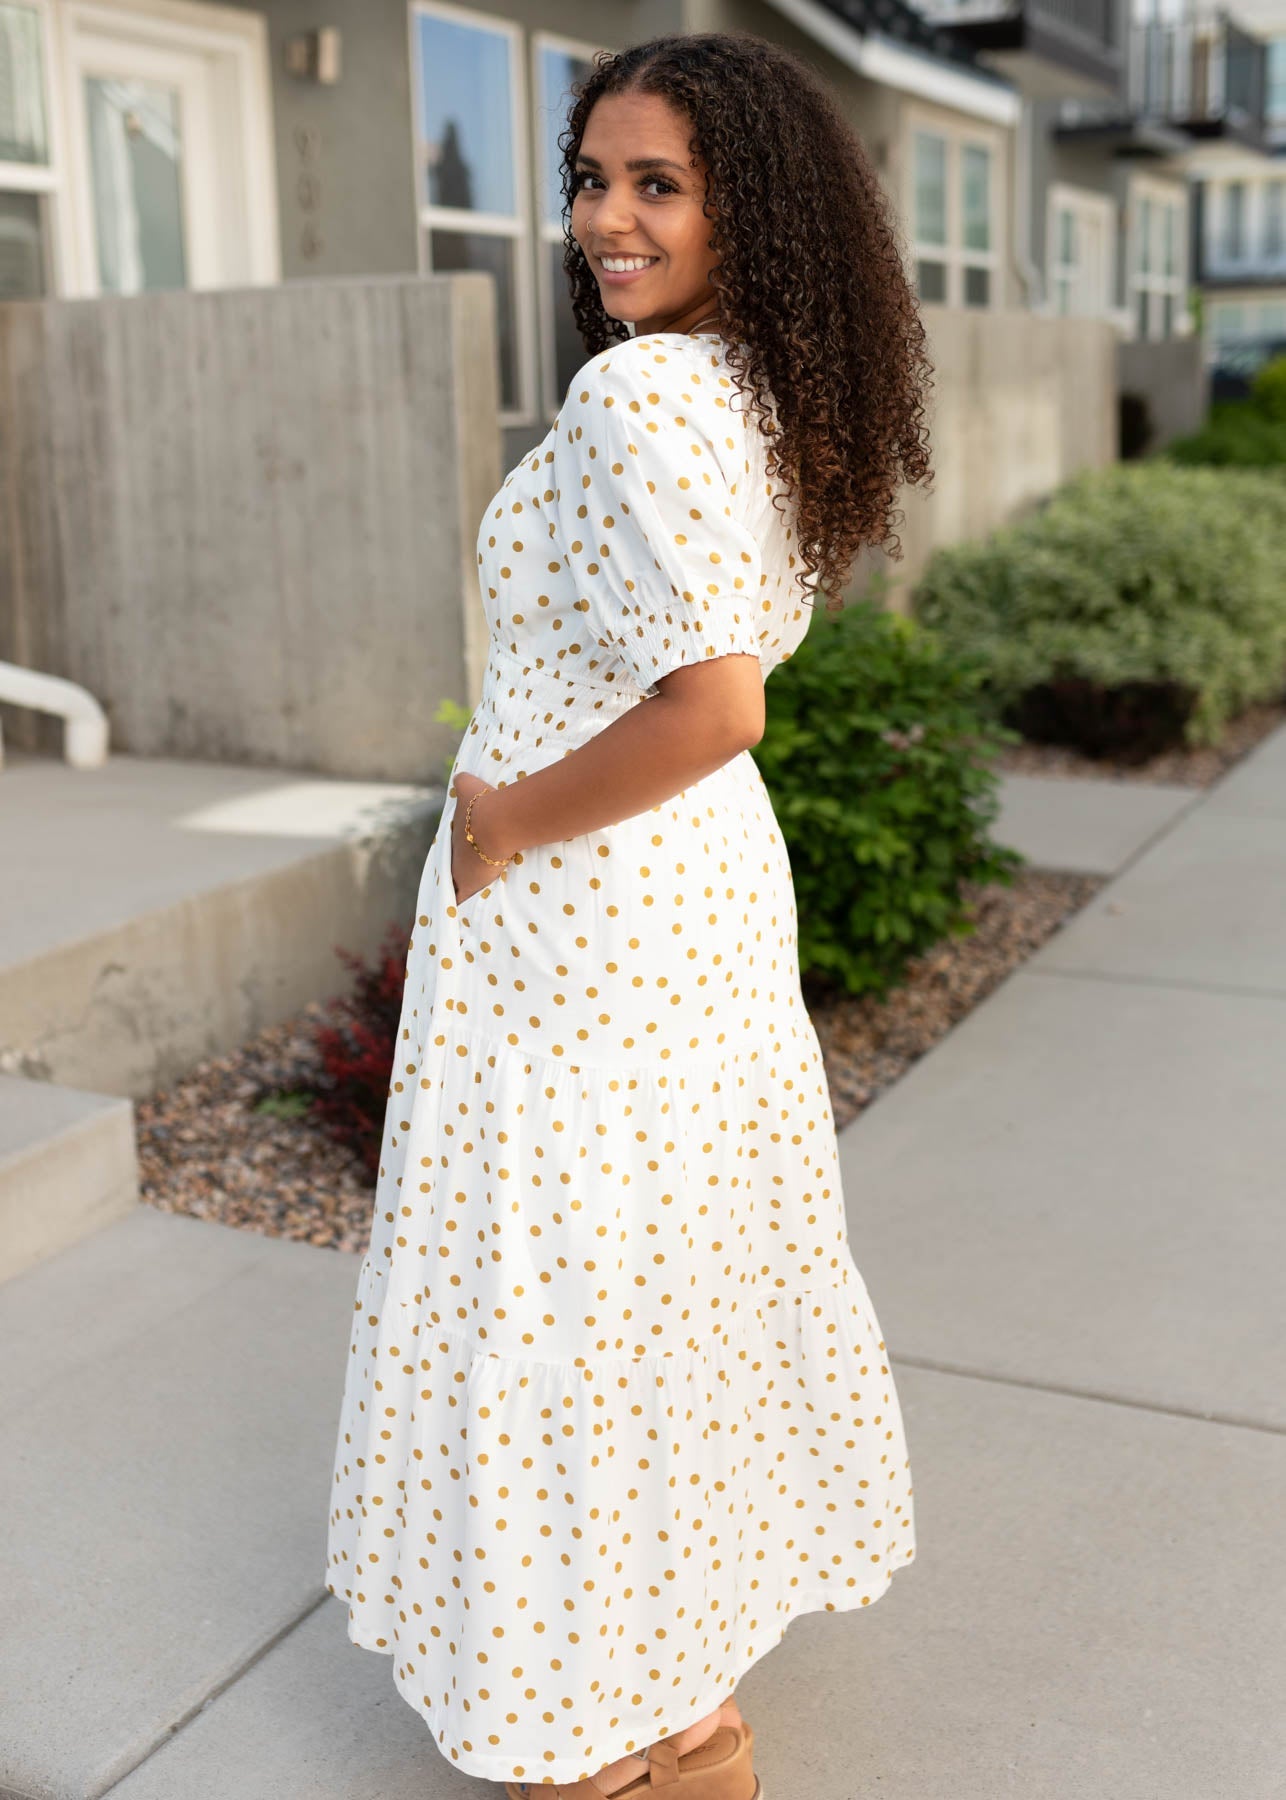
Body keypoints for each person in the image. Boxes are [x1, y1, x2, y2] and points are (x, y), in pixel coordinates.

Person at [324, 28, 934, 1799]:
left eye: (657, 183)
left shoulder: (641, 397)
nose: (606, 218)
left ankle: (580, 1733)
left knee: (564, 1302)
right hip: (684, 893)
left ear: (753, 207)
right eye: (592, 179)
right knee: (666, 1284)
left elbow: (714, 704)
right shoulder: (757, 385)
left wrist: (502, 816)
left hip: (584, 905)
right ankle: (684, 1709)